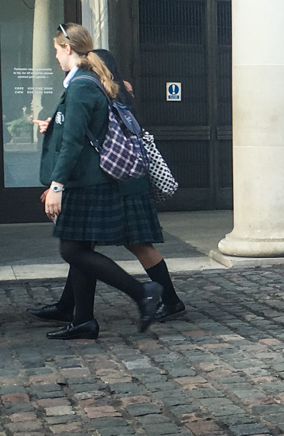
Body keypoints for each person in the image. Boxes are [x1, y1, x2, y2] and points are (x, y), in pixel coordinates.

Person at [28, 49, 185, 325]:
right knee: (82, 245)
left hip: (121, 182)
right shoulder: (113, 89)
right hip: (124, 179)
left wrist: (58, 184)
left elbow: (92, 134)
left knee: (134, 244)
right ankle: (70, 308)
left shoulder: (105, 90)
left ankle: (168, 300)